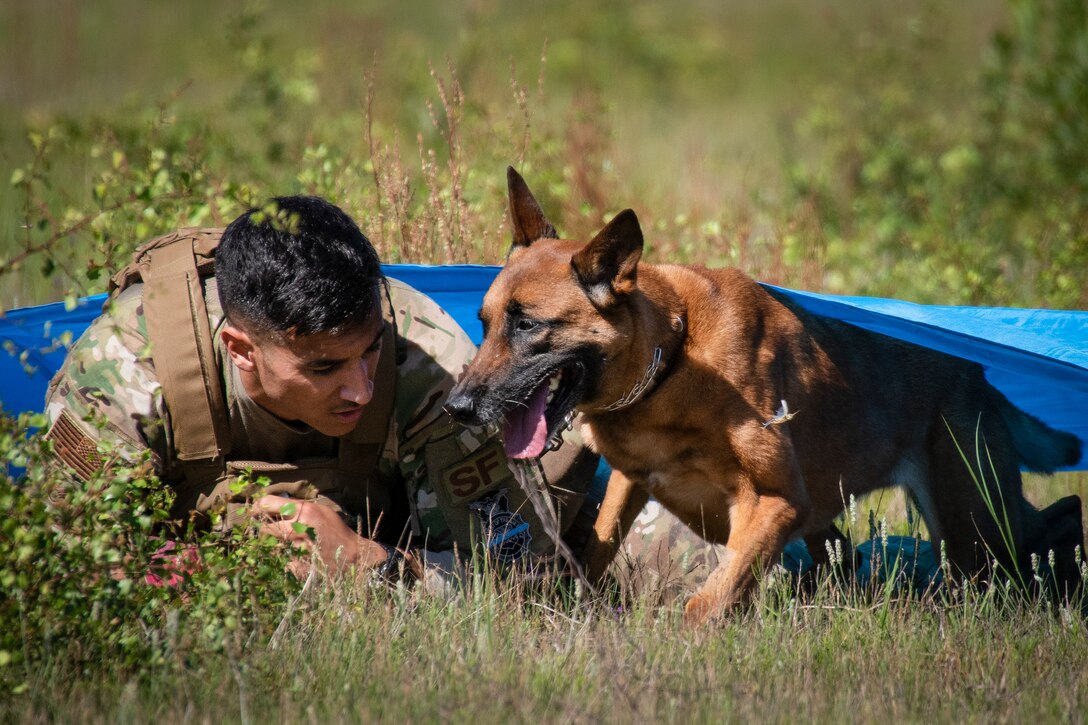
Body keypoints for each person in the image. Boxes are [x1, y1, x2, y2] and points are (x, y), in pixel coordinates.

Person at [43, 195, 599, 589]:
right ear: (240, 350)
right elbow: (67, 573)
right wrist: (219, 574)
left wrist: (370, 563)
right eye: (325, 367)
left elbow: (526, 575)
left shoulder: (431, 364)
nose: (359, 389)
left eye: (369, 351)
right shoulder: (124, 371)